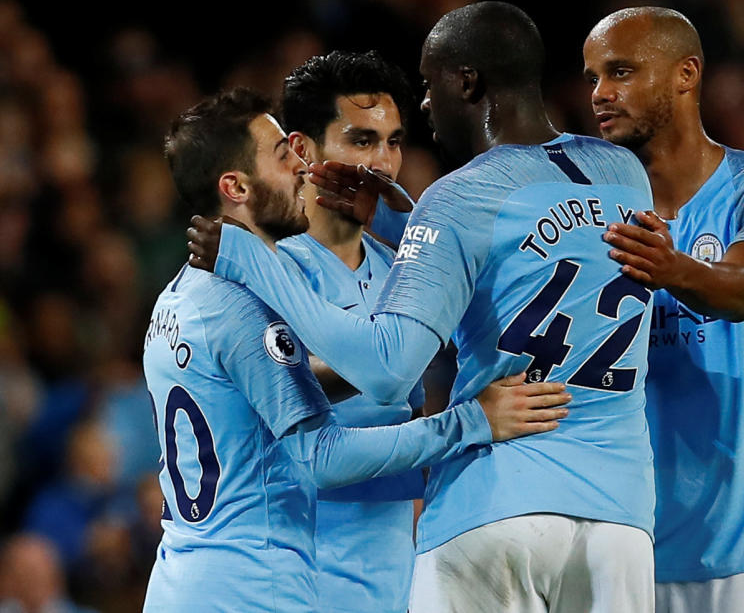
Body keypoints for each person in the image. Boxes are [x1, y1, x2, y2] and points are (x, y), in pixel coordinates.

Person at [189, 2, 658, 612]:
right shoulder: (623, 173)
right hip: (620, 518)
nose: (428, 104)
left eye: (430, 85)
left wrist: (247, 257)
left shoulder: (457, 198)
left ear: (467, 81)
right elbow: (533, 252)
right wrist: (396, 219)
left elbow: (389, 367)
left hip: (497, 502)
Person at [144, 87, 570, 612]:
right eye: (285, 159)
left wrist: (397, 353)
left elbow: (256, 397)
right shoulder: (245, 305)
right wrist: (471, 422)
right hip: (254, 586)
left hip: (182, 577)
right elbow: (321, 456)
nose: (304, 170)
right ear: (235, 186)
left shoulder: (179, 297)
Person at [583, 7, 744, 612]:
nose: (601, 94)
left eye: (620, 72)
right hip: (627, 540)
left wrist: (673, 269)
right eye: (592, 77)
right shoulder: (589, 214)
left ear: (685, 74)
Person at [278, 50, 426, 613]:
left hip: (389, 568)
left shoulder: (405, 271)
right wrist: (394, 354)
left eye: (392, 142)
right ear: (303, 150)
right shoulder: (266, 268)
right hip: (295, 561)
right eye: (361, 141)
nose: (383, 164)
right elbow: (278, 391)